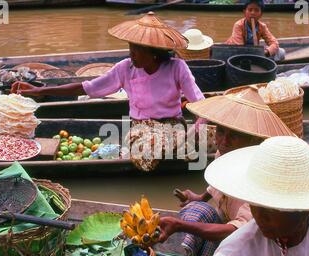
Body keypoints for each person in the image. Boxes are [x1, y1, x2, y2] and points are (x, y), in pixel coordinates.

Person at [11, 12, 205, 172]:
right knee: (145, 154)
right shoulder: (125, 68)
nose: (131, 54)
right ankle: (170, 149)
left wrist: (198, 125)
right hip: (141, 128)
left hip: (172, 127)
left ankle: (177, 146)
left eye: (137, 50)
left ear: (153, 52)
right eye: (130, 48)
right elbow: (88, 87)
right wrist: (40, 91)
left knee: (205, 137)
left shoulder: (177, 68)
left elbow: (199, 101)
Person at [158, 90, 295, 256]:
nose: (223, 140)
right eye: (221, 131)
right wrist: (200, 197)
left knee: (214, 237)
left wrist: (180, 226)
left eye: (234, 136)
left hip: (255, 243)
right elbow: (217, 186)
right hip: (229, 226)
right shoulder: (224, 155)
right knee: (199, 210)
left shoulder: (260, 176)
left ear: (254, 140)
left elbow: (233, 231)